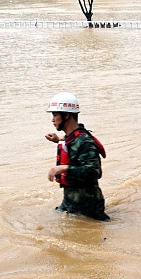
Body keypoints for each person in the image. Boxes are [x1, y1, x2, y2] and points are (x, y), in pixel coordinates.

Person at [45, 92, 110, 221]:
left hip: (88, 206)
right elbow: (72, 143)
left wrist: (63, 168)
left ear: (67, 115)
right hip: (70, 201)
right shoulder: (72, 137)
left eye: (55, 115)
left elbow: (93, 172)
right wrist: (58, 140)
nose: (52, 119)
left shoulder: (85, 141)